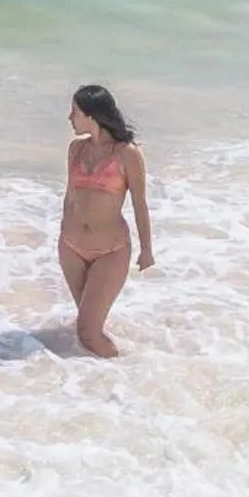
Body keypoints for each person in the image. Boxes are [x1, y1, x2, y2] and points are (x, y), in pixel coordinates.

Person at [59, 84, 153, 358]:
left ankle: (124, 372)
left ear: (92, 116)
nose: (69, 118)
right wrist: (63, 235)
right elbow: (70, 196)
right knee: (89, 325)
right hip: (71, 248)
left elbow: (139, 203)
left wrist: (146, 249)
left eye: (74, 112)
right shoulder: (75, 149)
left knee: (87, 331)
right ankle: (95, 386)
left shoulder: (127, 154)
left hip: (110, 251)